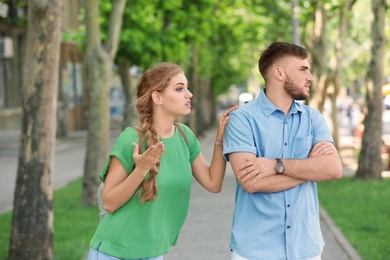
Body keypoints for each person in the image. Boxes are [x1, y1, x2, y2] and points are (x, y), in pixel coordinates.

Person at [87, 62, 236, 260]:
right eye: (179, 88)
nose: (189, 94)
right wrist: (140, 170)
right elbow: (109, 203)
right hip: (115, 251)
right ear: (157, 97)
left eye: (187, 87)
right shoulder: (131, 139)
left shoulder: (185, 136)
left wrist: (220, 139)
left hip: (154, 252)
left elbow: (213, 183)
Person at [223, 42, 343, 260]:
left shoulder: (313, 118)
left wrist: (275, 165)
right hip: (255, 250)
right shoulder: (241, 119)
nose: (311, 77)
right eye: (303, 69)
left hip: (306, 248)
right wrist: (309, 169)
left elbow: (333, 169)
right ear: (279, 72)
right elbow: (251, 183)